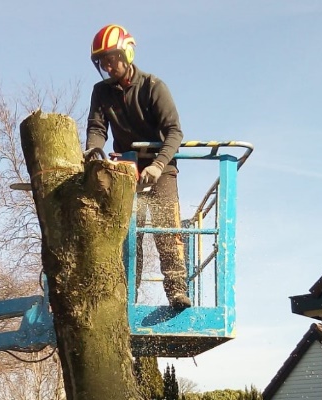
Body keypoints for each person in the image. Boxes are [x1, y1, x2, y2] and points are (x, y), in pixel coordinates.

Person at [85, 24, 191, 309]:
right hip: (126, 169)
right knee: (129, 233)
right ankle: (126, 296)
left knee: (166, 229)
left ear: (127, 53)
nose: (108, 65)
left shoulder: (153, 87)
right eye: (102, 61)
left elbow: (175, 132)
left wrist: (158, 165)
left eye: (112, 58)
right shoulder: (101, 92)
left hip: (161, 169)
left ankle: (177, 291)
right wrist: (94, 152)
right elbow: (97, 127)